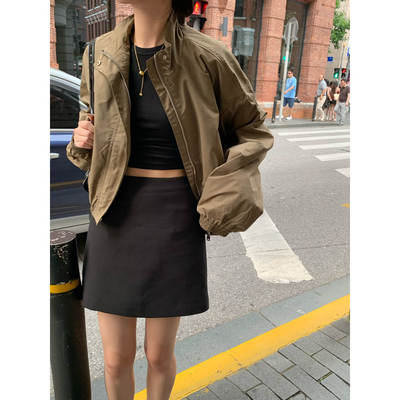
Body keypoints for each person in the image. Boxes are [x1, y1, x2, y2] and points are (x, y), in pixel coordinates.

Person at [65, 1, 274, 399]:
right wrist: (82, 139)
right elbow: (90, 124)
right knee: (115, 358)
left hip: (175, 215)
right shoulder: (98, 52)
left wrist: (226, 183)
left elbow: (253, 130)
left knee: (158, 354)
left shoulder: (209, 56)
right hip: (113, 210)